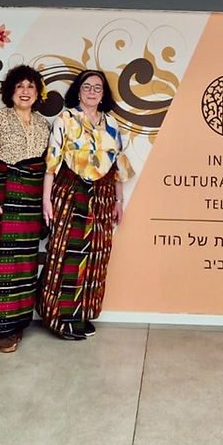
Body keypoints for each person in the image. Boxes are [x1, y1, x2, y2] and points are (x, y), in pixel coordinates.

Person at [38, 69, 134, 340]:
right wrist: (47, 200)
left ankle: (81, 314)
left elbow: (118, 165)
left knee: (96, 254)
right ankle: (59, 317)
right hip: (70, 191)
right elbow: (52, 164)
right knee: (67, 252)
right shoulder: (65, 119)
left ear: (104, 95)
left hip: (102, 195)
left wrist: (118, 200)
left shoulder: (112, 124)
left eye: (98, 88)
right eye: (87, 87)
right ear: (78, 91)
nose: (92, 92)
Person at [0, 65, 50, 352]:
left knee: (25, 263)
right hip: (3, 197)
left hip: (30, 202)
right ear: (11, 91)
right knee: (1, 263)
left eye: (31, 87)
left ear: (37, 92)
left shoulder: (44, 123)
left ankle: (16, 325)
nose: (25, 92)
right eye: (20, 86)